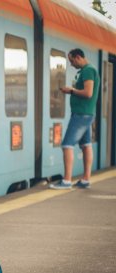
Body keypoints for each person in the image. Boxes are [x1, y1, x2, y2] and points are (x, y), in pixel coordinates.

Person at [49, 48, 100, 190]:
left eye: (71, 61)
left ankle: (66, 180)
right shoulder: (87, 71)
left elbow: (88, 93)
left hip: (81, 114)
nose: (71, 64)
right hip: (85, 113)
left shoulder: (88, 71)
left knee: (67, 145)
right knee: (86, 145)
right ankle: (85, 179)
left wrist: (71, 90)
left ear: (78, 57)